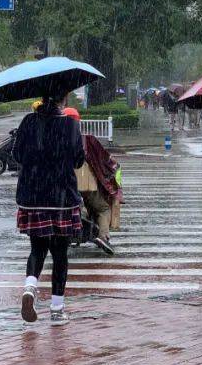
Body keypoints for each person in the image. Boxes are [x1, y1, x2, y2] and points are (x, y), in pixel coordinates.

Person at [11, 92, 86, 326]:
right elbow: (78, 160)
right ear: (63, 99)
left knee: (37, 249)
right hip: (62, 198)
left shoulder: (28, 122)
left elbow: (17, 155)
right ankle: (56, 309)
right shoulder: (70, 125)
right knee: (60, 254)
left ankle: (30, 287)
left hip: (33, 197)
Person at [63, 106, 122, 255]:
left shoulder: (54, 139)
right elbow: (104, 159)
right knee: (103, 208)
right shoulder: (87, 139)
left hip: (65, 183)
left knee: (75, 207)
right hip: (87, 181)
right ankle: (103, 236)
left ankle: (76, 229)